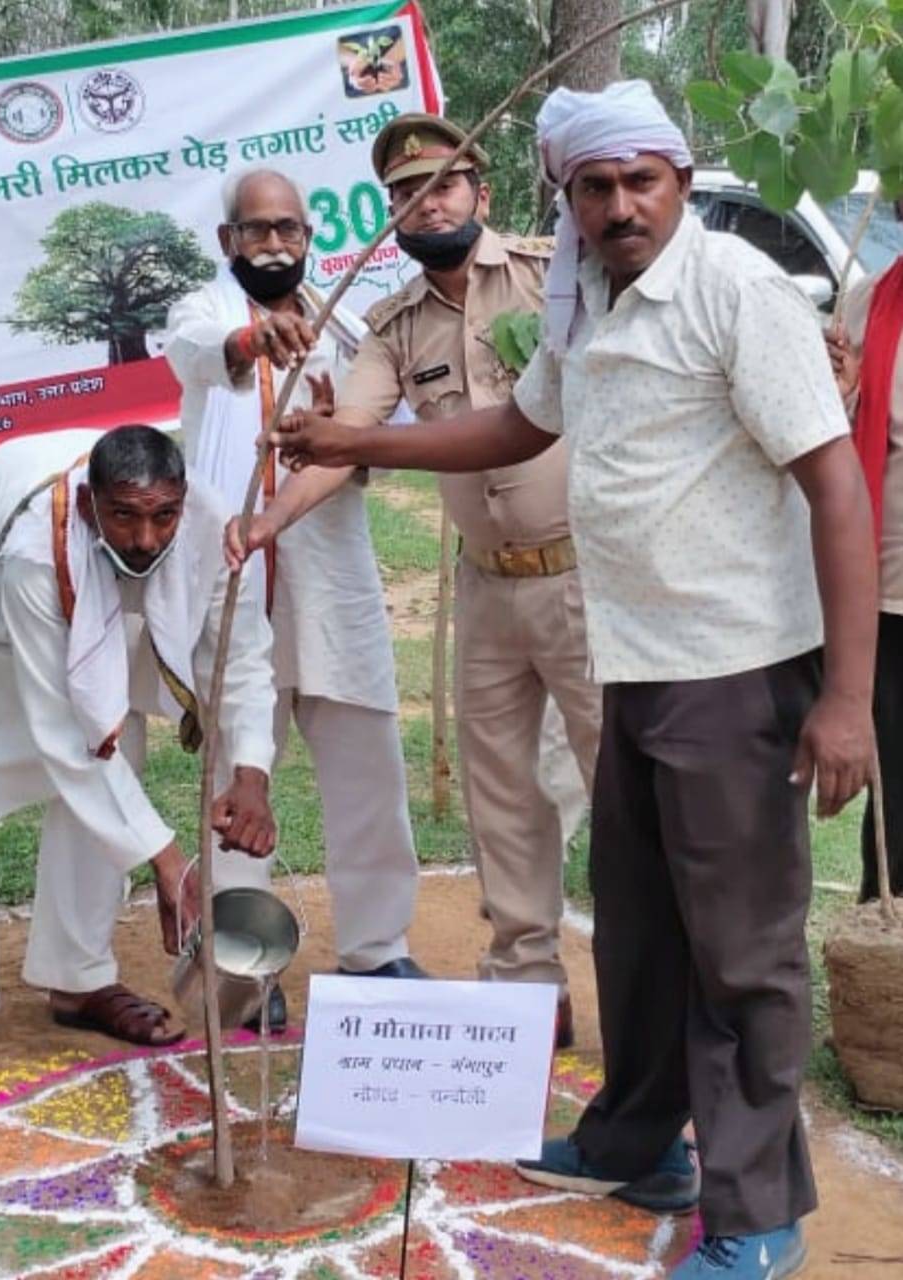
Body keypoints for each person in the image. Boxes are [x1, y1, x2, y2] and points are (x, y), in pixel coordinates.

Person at [268, 81, 877, 1279]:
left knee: (739, 953)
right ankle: (638, 1139)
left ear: (680, 184)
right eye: (593, 187)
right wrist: (355, 442)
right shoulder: (581, 302)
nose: (616, 206)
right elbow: (517, 428)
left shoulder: (734, 294)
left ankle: (756, 1211)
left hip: (735, 669)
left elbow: (835, 485)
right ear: (568, 197)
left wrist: (844, 697)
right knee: (641, 929)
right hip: (636, 661)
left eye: (638, 181)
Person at [324, 113, 602, 1049]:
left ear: (479, 192)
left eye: (441, 184)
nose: (424, 202)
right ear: (390, 216)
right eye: (404, 194)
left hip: (588, 578)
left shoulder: (552, 274)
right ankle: (528, 982)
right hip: (486, 586)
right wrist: (269, 513)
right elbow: (345, 433)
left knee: (626, 786)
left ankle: (659, 980)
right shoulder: (394, 324)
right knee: (501, 793)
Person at [0, 425, 277, 1108]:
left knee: (118, 749)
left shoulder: (208, 525)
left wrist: (251, 769)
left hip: (91, 608)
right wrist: (169, 860)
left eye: (162, 516)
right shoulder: (33, 544)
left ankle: (78, 977)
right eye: (125, 516)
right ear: (88, 507)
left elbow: (243, 653)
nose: (146, 539)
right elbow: (63, 733)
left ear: (182, 501)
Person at [165, 167, 425, 1033]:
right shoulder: (201, 315)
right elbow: (202, 357)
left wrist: (344, 435)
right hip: (230, 578)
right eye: (257, 230)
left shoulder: (348, 324)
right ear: (227, 242)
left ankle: (377, 950)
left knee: (368, 766)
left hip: (331, 578)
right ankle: (245, 962)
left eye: (289, 229)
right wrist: (253, 346)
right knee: (242, 770)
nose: (274, 244)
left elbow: (384, 440)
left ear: (310, 238)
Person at [827, 260, 903, 900]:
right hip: (890, 595)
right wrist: (843, 391)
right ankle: (889, 963)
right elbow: (831, 436)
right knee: (897, 793)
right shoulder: (867, 302)